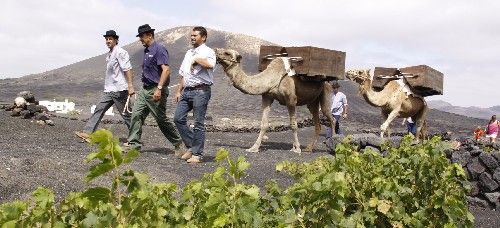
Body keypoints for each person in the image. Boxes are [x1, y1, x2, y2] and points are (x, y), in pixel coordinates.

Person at [126, 24, 185, 153]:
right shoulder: (146, 50)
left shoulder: (159, 49)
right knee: (136, 114)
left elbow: (166, 70)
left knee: (160, 119)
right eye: (139, 36)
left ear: (150, 35)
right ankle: (133, 145)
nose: (140, 39)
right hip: (145, 89)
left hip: (156, 89)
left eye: (142, 36)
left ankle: (179, 143)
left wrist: (159, 88)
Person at [75, 30, 134, 142]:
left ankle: (135, 138)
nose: (108, 41)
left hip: (119, 90)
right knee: (99, 109)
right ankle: (87, 133)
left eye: (110, 39)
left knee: (126, 115)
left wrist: (130, 85)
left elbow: (128, 68)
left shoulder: (120, 52)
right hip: (109, 89)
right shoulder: (110, 54)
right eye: (106, 39)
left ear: (116, 40)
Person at [174, 26, 216, 164]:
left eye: (195, 35)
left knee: (198, 123)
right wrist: (178, 91)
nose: (192, 37)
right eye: (191, 35)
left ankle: (197, 154)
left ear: (203, 37)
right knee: (178, 118)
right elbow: (183, 73)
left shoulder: (208, 51)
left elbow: (210, 65)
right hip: (187, 91)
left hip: (201, 91)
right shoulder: (188, 53)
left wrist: (197, 59)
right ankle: (192, 146)